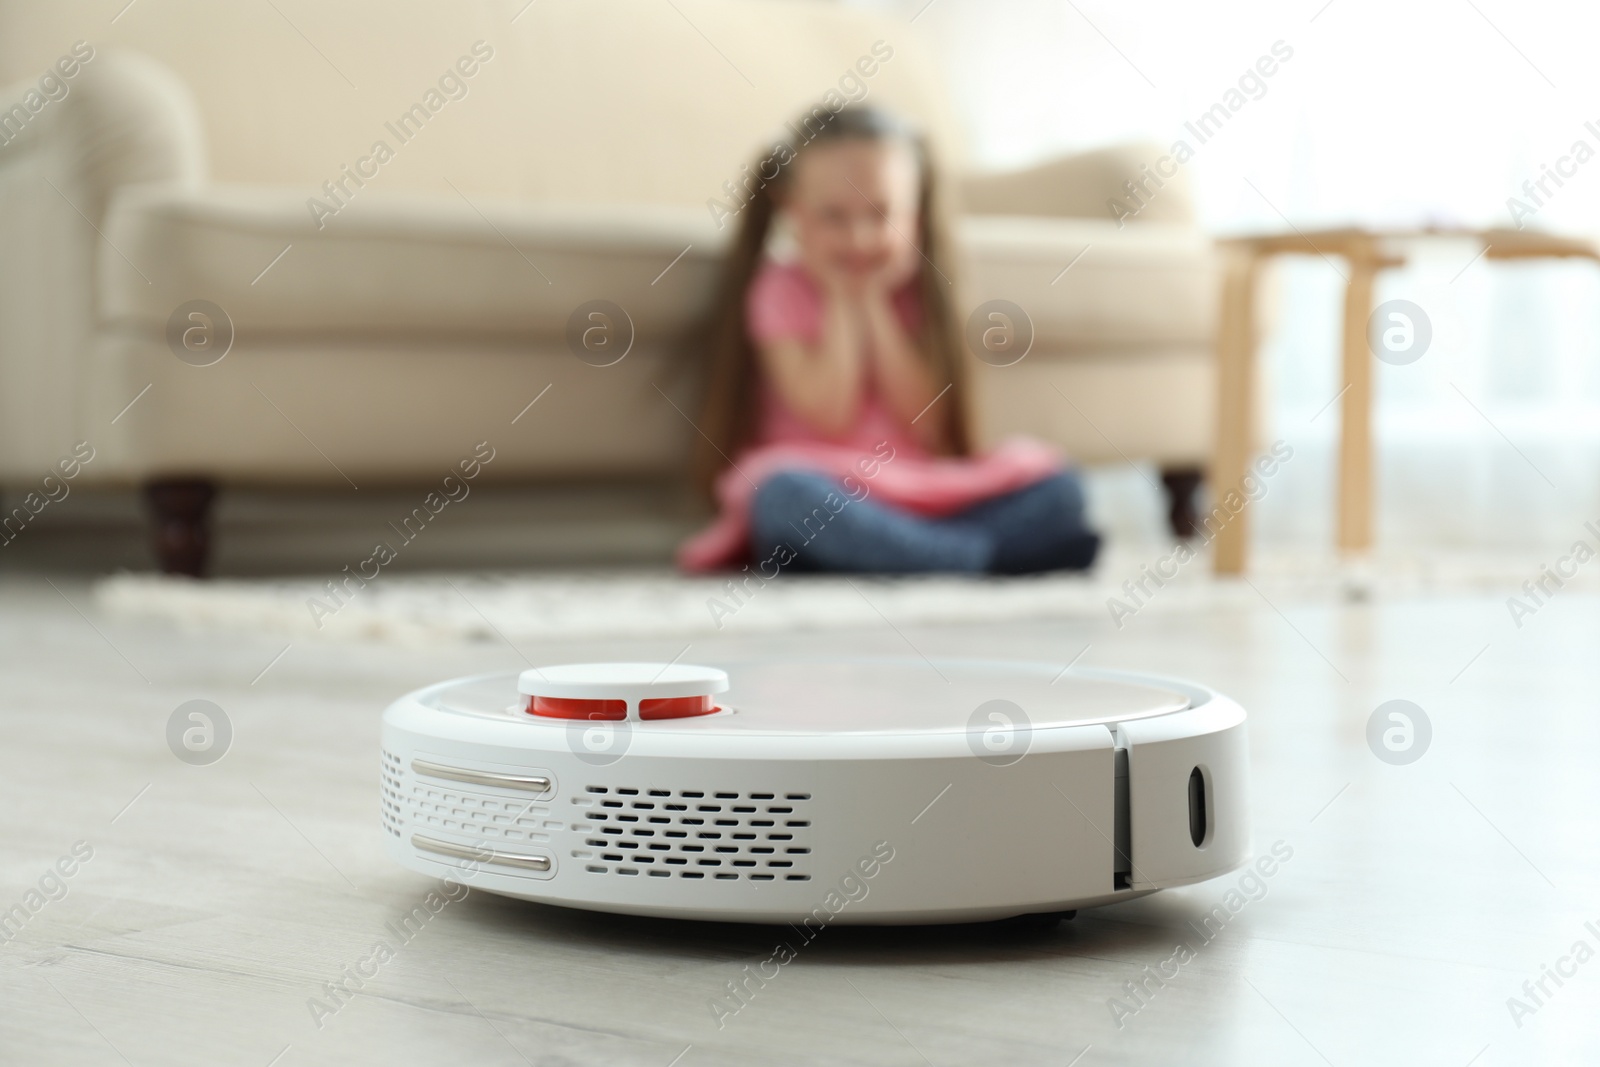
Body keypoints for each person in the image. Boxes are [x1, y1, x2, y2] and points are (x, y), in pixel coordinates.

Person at [678, 106, 1099, 575]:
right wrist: (845, 300)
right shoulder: (778, 291)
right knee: (781, 499)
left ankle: (912, 555)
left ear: (915, 211)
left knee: (1058, 485)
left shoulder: (922, 294)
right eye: (834, 217)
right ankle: (980, 558)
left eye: (880, 214)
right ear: (790, 209)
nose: (859, 238)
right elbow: (829, 414)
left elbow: (926, 422)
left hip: (920, 489)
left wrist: (875, 305)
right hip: (826, 484)